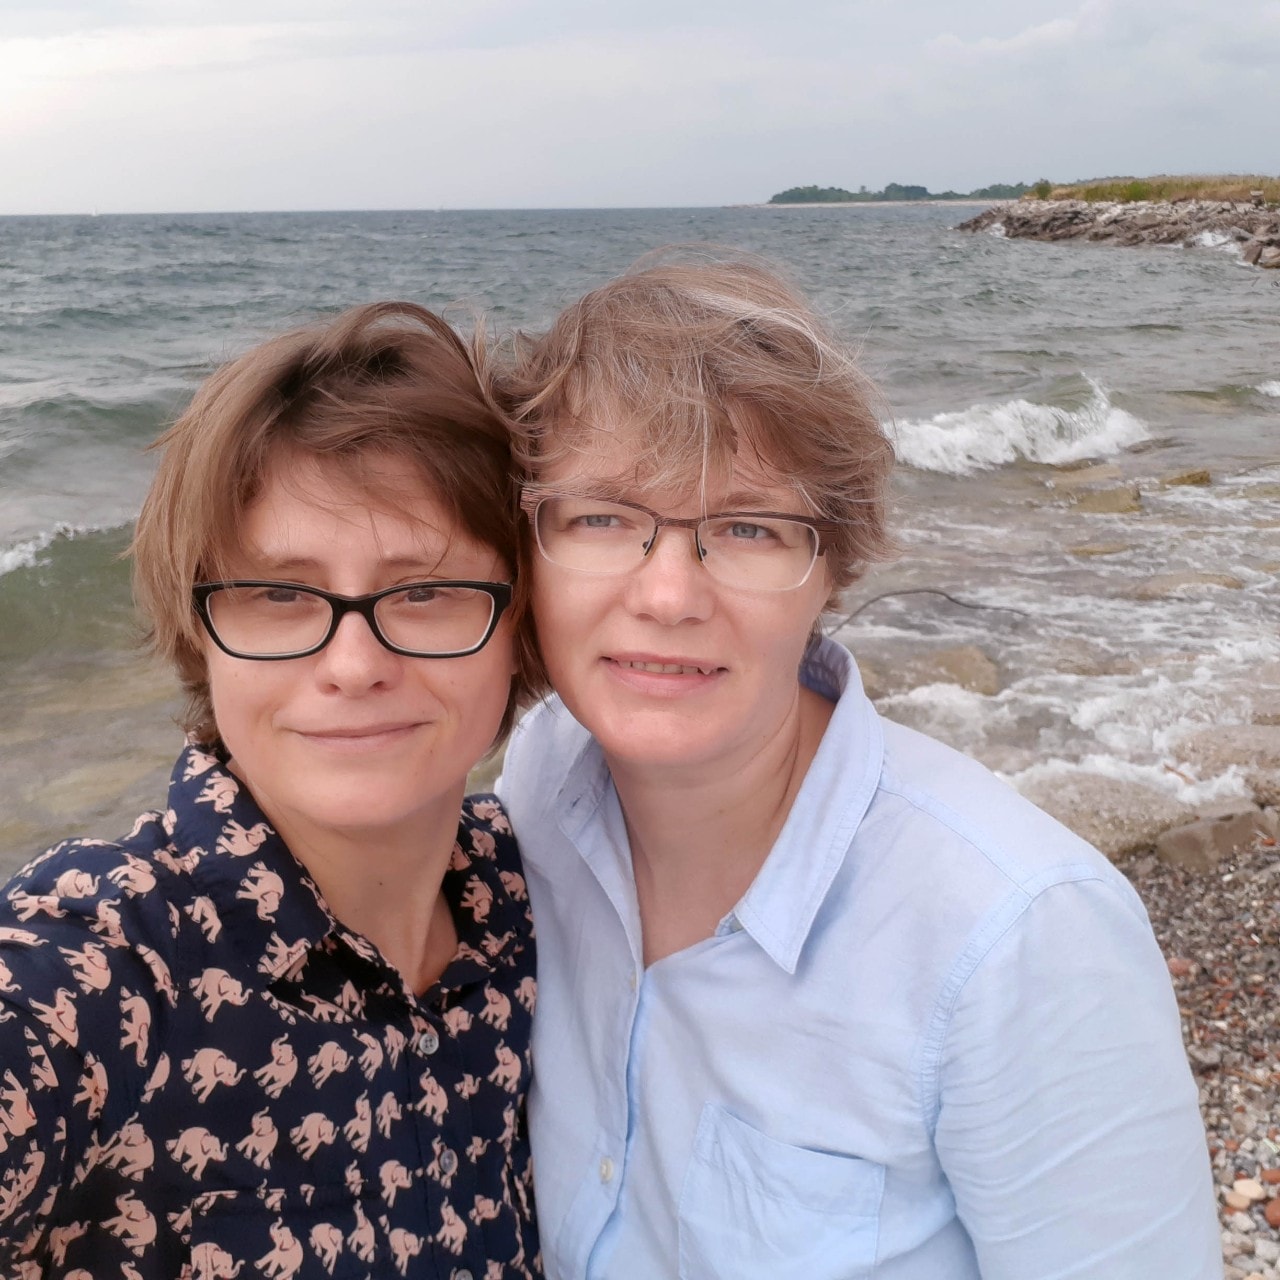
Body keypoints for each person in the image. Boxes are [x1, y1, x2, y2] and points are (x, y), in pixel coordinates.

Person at [493, 256, 1220, 1279]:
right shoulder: (536, 784)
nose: (665, 593)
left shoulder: (1016, 935)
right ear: (527, 543)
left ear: (830, 564)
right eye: (602, 516)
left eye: (746, 526)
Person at [0, 302, 541, 1279]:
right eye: (279, 593)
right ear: (199, 632)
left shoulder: (527, 898)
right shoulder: (111, 961)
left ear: (519, 626)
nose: (352, 661)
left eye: (424, 589)